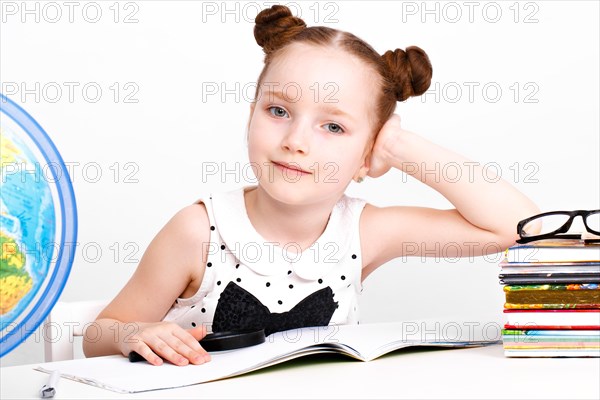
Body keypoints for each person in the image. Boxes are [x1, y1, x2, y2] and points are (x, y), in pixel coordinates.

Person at [83, 5, 539, 366]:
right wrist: (132, 333)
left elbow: (520, 228)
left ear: (367, 153)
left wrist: (401, 146)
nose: (296, 142)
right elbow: (99, 334)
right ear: (251, 114)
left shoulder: (364, 232)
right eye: (278, 111)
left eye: (333, 127)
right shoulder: (197, 230)